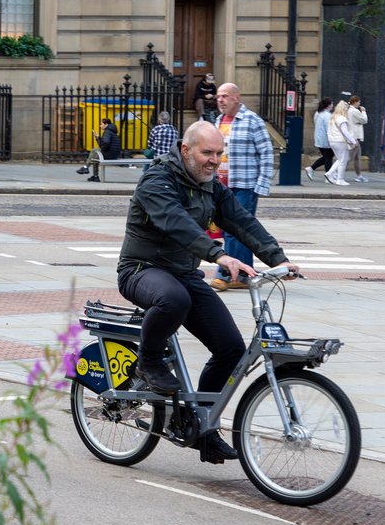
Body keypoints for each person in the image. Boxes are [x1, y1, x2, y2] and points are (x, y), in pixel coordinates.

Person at [118, 120, 298, 464]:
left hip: (183, 272)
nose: (215, 161)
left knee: (230, 349)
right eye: (207, 153)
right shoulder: (157, 179)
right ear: (186, 150)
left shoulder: (209, 185)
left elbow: (241, 220)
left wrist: (279, 259)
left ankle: (202, 428)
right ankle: (148, 362)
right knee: (174, 299)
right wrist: (218, 254)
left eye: (219, 153)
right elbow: (176, 222)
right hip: (141, 270)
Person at [210, 83, 274, 292]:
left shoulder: (252, 121)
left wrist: (262, 184)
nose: (220, 100)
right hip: (222, 185)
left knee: (234, 229)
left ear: (237, 98)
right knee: (240, 231)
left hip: (245, 184)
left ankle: (227, 273)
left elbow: (266, 152)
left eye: (225, 96)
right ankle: (245, 274)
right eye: (219, 96)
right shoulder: (219, 121)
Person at [324, 100, 357, 186]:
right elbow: (345, 132)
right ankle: (340, 179)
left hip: (332, 141)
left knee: (340, 159)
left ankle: (329, 173)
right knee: (343, 161)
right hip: (340, 141)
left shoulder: (332, 117)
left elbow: (328, 131)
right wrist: (353, 141)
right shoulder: (342, 118)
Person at [78, 117, 120, 182]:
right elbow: (105, 142)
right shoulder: (112, 131)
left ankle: (85, 167)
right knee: (95, 156)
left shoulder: (107, 132)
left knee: (94, 150)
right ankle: (95, 176)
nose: (100, 126)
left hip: (110, 154)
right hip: (114, 154)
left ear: (106, 124)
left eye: (101, 124)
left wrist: (102, 148)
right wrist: (97, 137)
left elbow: (105, 143)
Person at [305, 97, 333, 181]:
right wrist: (331, 139)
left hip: (318, 138)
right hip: (325, 140)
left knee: (327, 157)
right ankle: (327, 176)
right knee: (328, 157)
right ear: (328, 105)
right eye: (331, 104)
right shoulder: (328, 115)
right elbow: (329, 129)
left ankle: (313, 169)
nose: (333, 105)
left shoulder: (318, 113)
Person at [346, 95, 369, 182]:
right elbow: (364, 120)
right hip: (354, 137)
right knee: (350, 157)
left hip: (354, 136)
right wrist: (363, 111)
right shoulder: (354, 111)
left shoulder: (350, 110)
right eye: (359, 102)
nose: (360, 104)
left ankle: (359, 176)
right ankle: (334, 172)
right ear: (355, 102)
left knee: (356, 157)